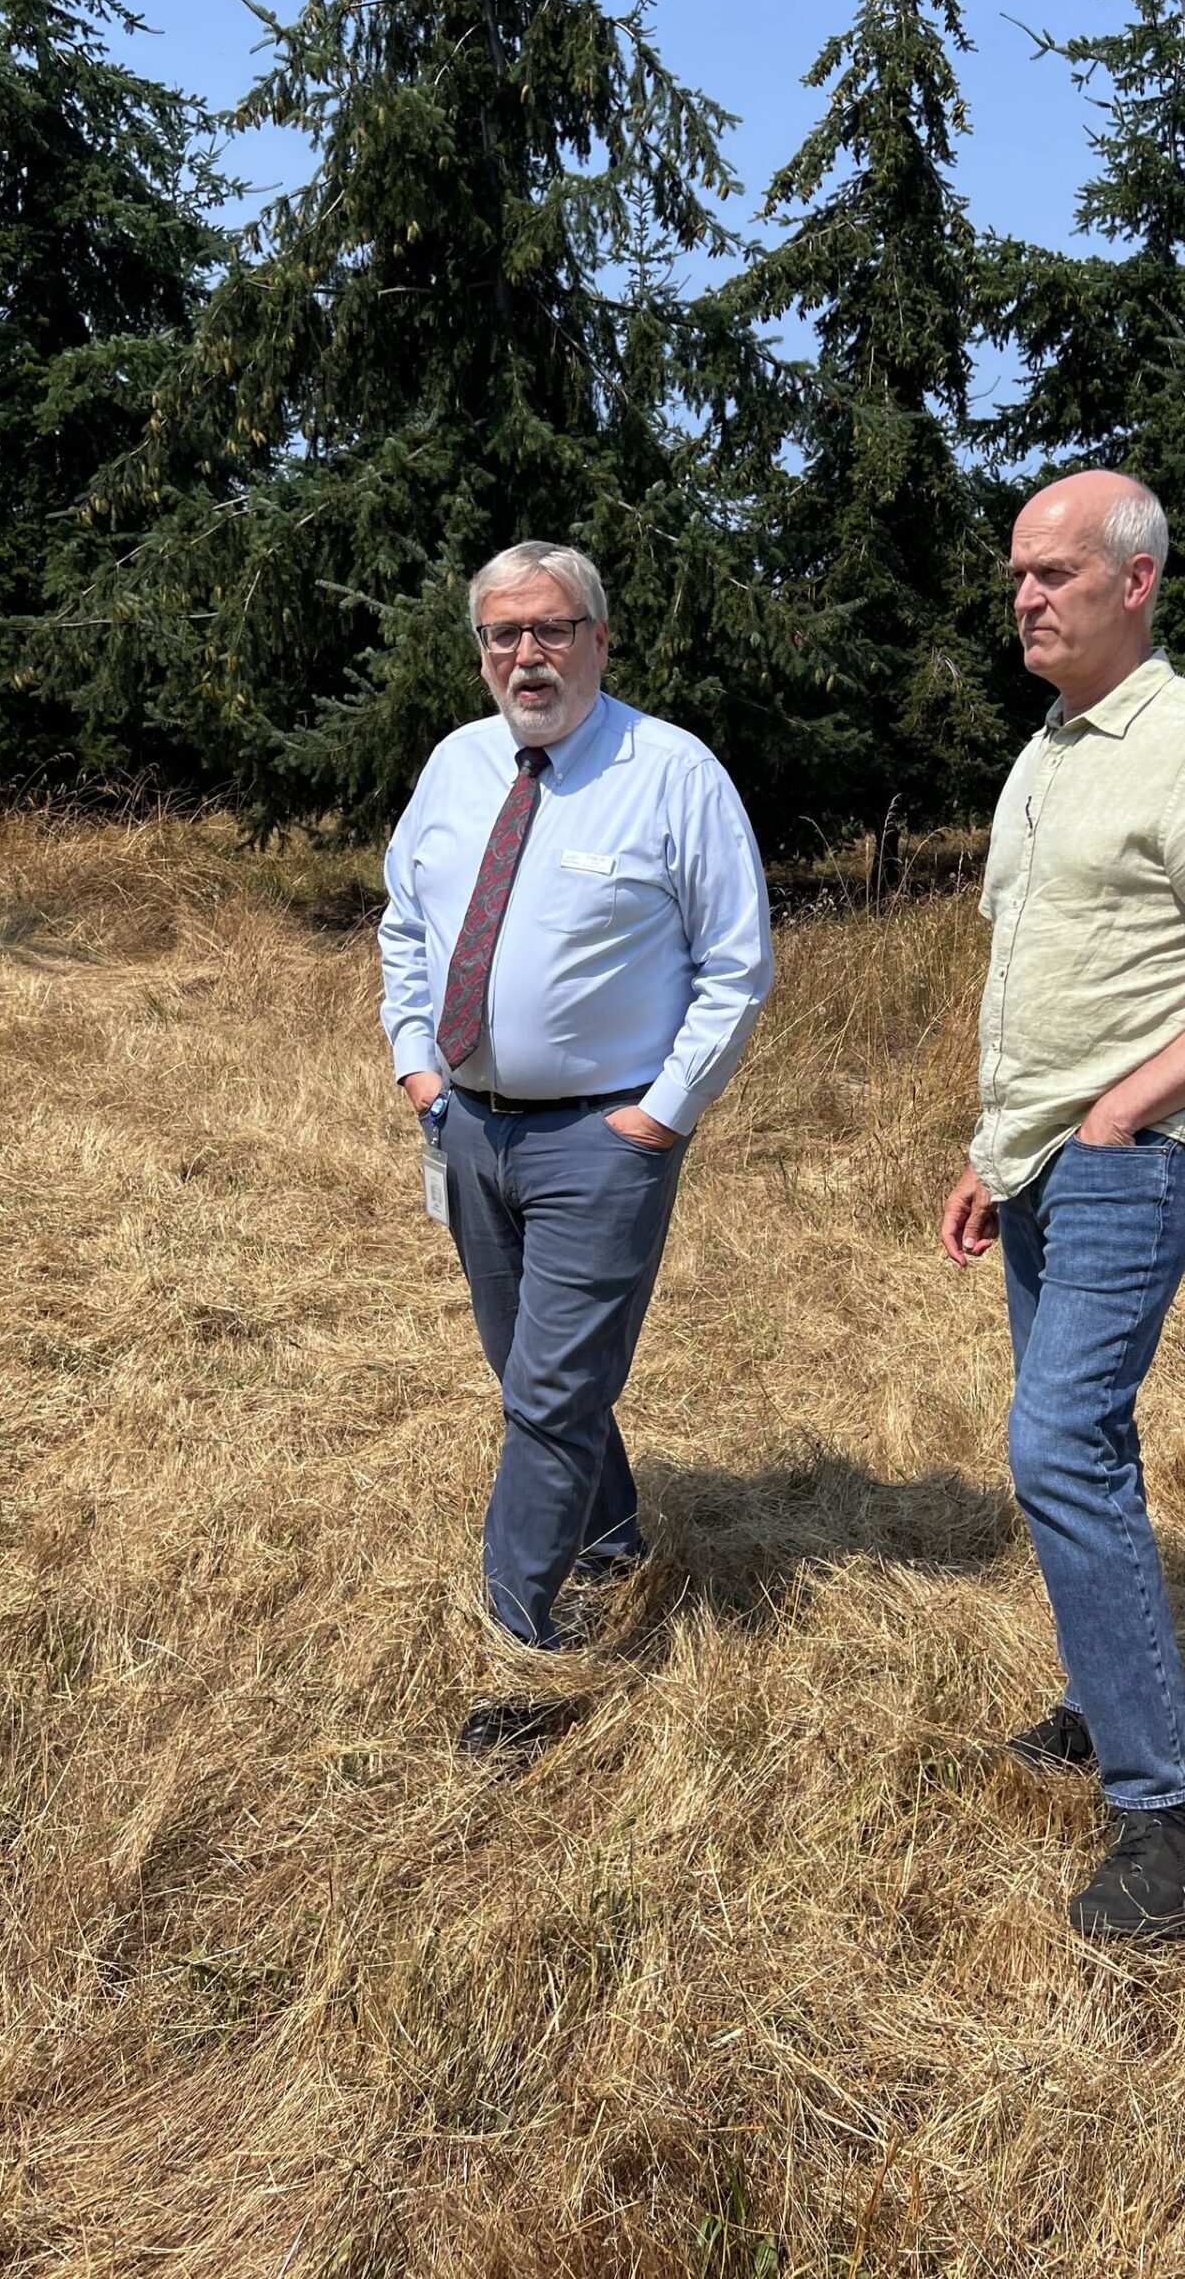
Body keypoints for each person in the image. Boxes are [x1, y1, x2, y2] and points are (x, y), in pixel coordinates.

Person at [939, 471, 1185, 1942]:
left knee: (1055, 1447)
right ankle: (1104, 1700)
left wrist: (1118, 1114)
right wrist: (998, 1146)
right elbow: (1044, 978)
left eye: (1054, 574)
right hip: (1042, 1161)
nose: (1026, 597)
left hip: (1133, 1161)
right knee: (1077, 1442)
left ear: (1136, 581)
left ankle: (1164, 1811)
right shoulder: (1044, 754)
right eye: (1018, 577)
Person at [378, 540, 773, 1758]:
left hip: (603, 1139)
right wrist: (417, 1065)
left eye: (552, 630)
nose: (527, 656)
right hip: (470, 1128)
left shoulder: (672, 773)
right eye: (503, 635)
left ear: (601, 639)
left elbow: (738, 965)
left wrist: (659, 1114)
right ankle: (610, 1544)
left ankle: (521, 1648)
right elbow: (404, 920)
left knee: (549, 1397)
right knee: (528, 1370)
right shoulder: (454, 766)